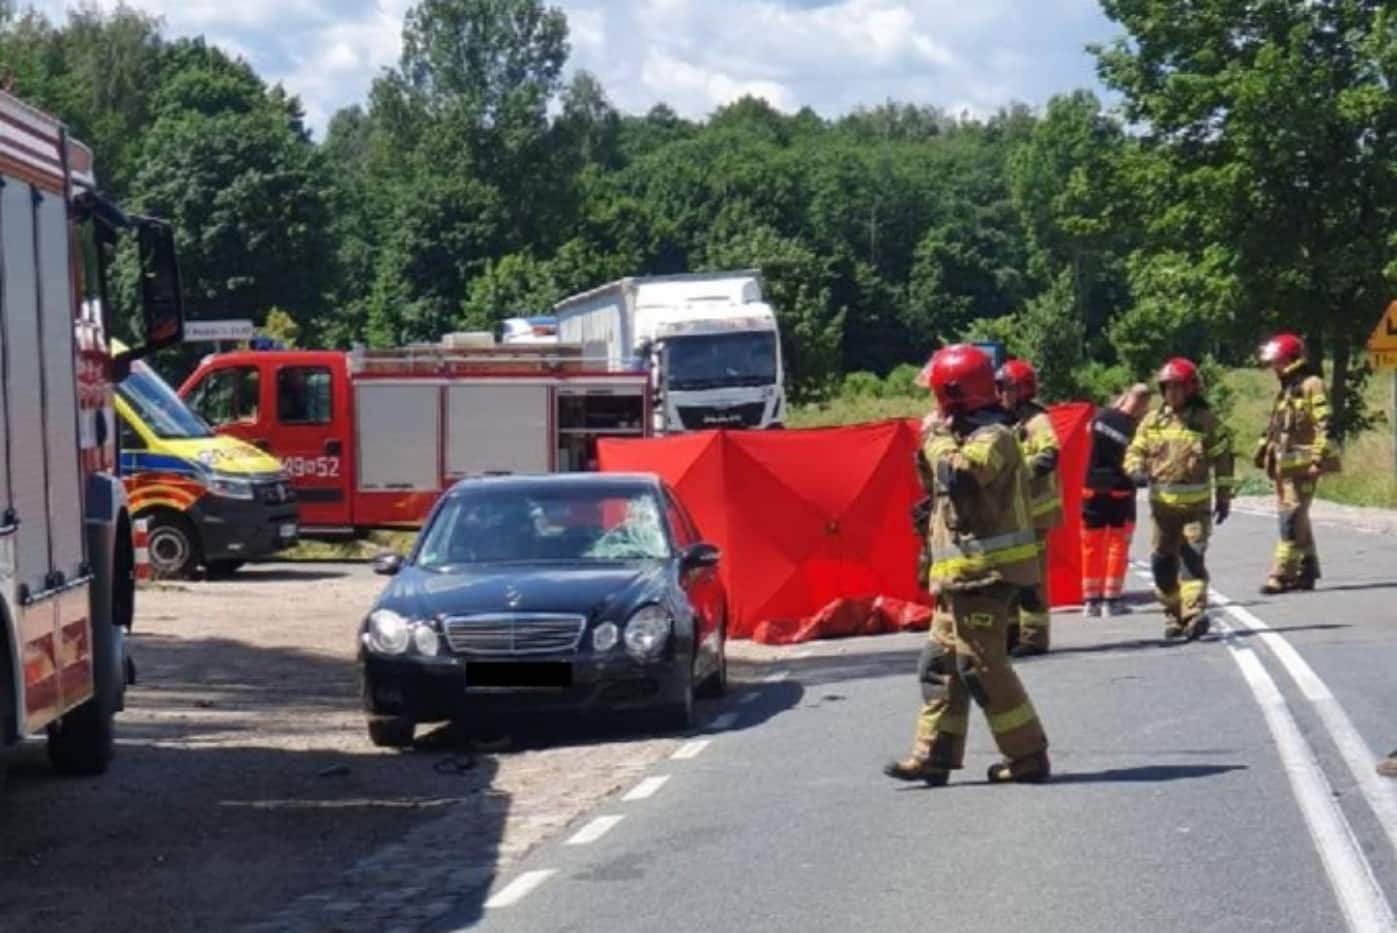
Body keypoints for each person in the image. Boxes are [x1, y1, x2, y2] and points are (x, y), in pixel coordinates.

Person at [885, 344, 1050, 786]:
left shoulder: (995, 436)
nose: (933, 404)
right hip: (958, 578)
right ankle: (934, 756)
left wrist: (933, 436)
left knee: (981, 666)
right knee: (939, 665)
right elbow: (937, 483)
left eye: (938, 394)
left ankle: (1028, 755)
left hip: (986, 575)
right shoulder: (962, 434)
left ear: (953, 394)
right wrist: (935, 444)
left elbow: (961, 474)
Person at [1124, 358, 1235, 641]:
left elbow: (1223, 458)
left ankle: (1194, 613)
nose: (1171, 393)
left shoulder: (1206, 421)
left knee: (1192, 559)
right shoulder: (1152, 421)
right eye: (1167, 388)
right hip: (1162, 509)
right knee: (1162, 565)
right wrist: (1135, 469)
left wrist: (1224, 497)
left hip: (1195, 509)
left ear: (1190, 389)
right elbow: (1135, 450)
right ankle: (1173, 613)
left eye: (1177, 388)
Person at [1253, 333, 1339, 595]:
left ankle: (1280, 574)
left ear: (1290, 360)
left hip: (1306, 467)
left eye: (1276, 362)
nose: (1272, 368)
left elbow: (1326, 424)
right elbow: (1277, 428)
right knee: (1298, 516)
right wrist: (1263, 452)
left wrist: (1318, 460)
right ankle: (1307, 567)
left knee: (1290, 518)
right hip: (1285, 468)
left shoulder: (1312, 385)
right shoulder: (1287, 390)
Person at [996, 359, 1062, 656]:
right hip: (1013, 516)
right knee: (1009, 576)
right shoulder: (1005, 422)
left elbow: (1050, 454)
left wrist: (1020, 475)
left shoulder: (1036, 421)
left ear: (1022, 390)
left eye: (1005, 388)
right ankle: (1010, 635)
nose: (1001, 394)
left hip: (1034, 514)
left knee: (1030, 579)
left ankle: (1034, 637)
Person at [1081, 384, 1152, 617]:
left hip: (1091, 488)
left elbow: (1085, 434)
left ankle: (1091, 600)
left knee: (1091, 544)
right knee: (1117, 544)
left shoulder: (1099, 417)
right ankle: (1112, 599)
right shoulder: (1135, 428)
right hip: (1120, 489)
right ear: (1141, 403)